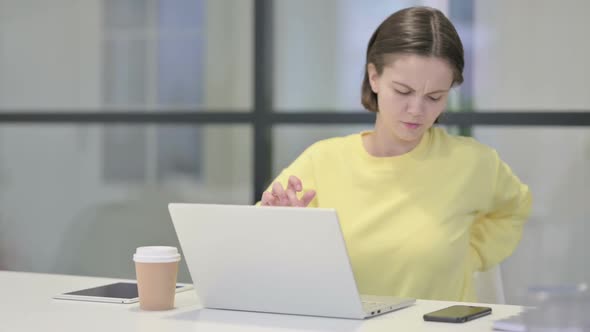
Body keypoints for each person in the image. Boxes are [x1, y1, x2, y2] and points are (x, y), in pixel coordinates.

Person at [259, 6, 532, 302]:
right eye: (403, 91)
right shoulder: (322, 161)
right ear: (374, 77)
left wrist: (470, 255)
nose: (416, 110)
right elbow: (258, 243)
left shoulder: (474, 164)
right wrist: (285, 229)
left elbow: (514, 210)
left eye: (434, 97)